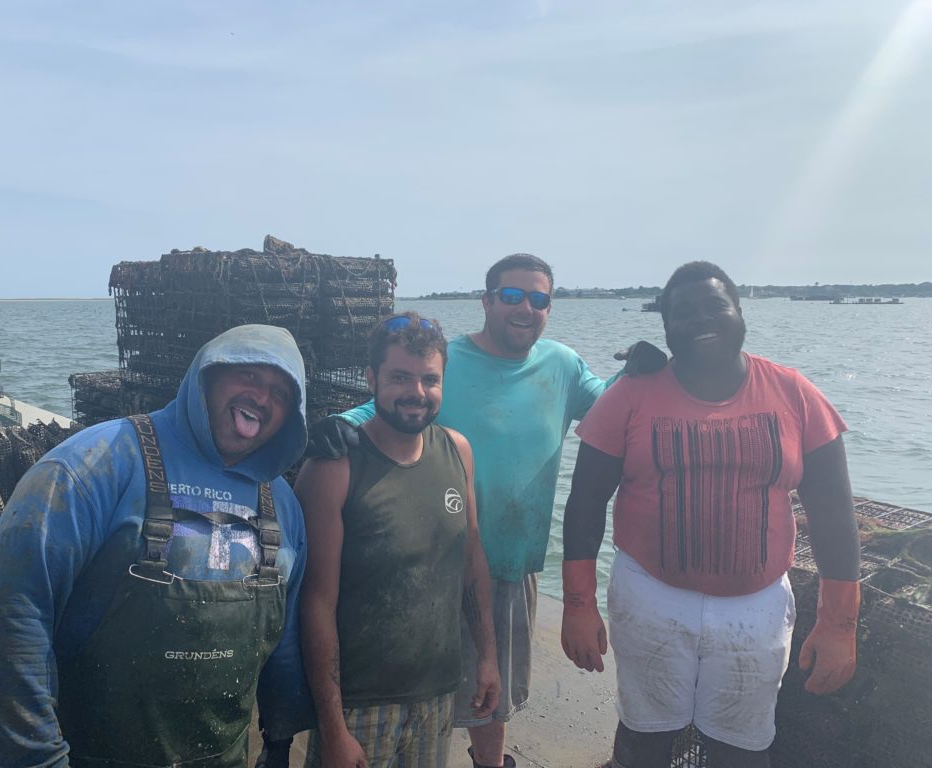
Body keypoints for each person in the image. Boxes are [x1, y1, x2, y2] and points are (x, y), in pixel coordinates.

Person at [310, 254, 666, 768]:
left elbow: (609, 406)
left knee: (490, 697)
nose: (524, 307)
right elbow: (388, 405)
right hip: (429, 563)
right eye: (511, 295)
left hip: (509, 560)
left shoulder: (562, 364)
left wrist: (636, 373)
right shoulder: (445, 362)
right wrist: (333, 422)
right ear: (486, 301)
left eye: (538, 298)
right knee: (408, 691)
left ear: (549, 307)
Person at [0, 325, 311, 768]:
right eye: (249, 376)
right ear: (206, 376)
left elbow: (284, 640)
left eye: (281, 394)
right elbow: (7, 617)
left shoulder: (283, 505)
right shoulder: (92, 465)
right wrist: (36, 758)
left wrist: (279, 740)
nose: (262, 398)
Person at [562, 261, 861, 768]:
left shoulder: (794, 393)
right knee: (644, 740)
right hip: (649, 596)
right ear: (666, 327)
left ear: (739, 313)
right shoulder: (630, 396)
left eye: (715, 307)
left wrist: (839, 626)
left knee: (741, 747)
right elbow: (585, 503)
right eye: (683, 314)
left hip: (758, 607)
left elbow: (834, 514)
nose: (701, 321)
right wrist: (577, 605)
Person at [298, 313, 500, 768]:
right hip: (359, 703)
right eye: (400, 377)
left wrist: (487, 657)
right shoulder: (334, 468)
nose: (417, 393)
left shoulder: (457, 451)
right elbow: (315, 602)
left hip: (436, 692)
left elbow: (471, 562)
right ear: (371, 379)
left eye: (430, 379)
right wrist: (332, 725)